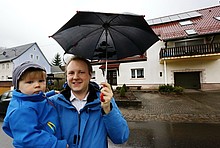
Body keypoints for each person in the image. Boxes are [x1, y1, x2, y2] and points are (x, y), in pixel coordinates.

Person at [49, 56, 129, 148]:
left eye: (81, 72)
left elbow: (120, 137)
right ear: (66, 76)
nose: (75, 77)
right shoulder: (54, 103)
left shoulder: (104, 101)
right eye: (71, 73)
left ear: (90, 75)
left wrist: (108, 110)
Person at [2, 61, 68, 148]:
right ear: (17, 86)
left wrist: (52, 93)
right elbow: (29, 137)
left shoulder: (32, 98)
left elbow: (40, 98)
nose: (37, 85)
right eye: (30, 82)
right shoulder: (21, 110)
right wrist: (57, 145)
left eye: (41, 81)